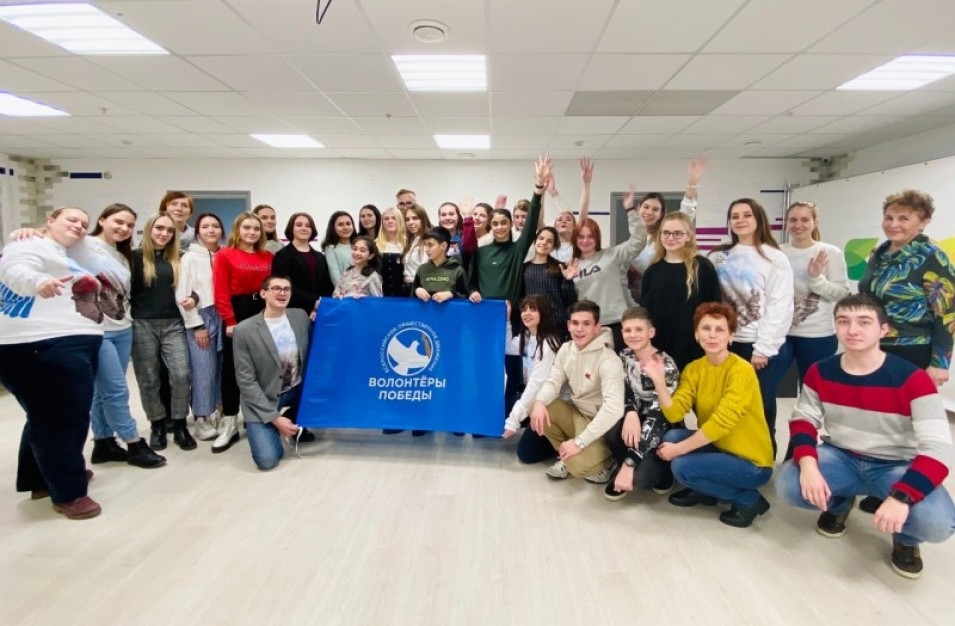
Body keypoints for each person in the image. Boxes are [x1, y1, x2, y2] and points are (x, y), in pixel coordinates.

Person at [775, 294, 955, 579]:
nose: (852, 330)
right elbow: (803, 420)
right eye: (843, 321)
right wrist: (808, 467)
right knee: (789, 485)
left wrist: (902, 498)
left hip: (896, 464)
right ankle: (840, 502)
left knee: (938, 523)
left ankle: (906, 539)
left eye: (864, 322)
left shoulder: (913, 379)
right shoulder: (820, 371)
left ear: (883, 330)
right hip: (841, 456)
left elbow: (938, 449)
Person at [0, 207, 105, 519]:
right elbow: (14, 269)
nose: (79, 226)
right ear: (49, 221)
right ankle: (69, 492)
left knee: (45, 416)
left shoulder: (67, 252)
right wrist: (37, 282)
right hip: (43, 343)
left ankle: (40, 479)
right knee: (65, 420)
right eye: (71, 219)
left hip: (68, 341)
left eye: (83, 223)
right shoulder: (29, 244)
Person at [857, 189, 955, 515]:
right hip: (874, 348)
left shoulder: (932, 256)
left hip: (913, 350)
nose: (893, 224)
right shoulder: (880, 253)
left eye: (904, 218)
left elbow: (947, 313)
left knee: (905, 426)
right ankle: (876, 483)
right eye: (889, 217)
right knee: (876, 419)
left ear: (923, 222)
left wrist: (940, 361)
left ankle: (903, 492)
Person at [644, 302, 774, 528]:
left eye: (720, 329)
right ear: (696, 334)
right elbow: (674, 413)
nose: (712, 335)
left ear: (731, 336)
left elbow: (720, 424)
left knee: (682, 467)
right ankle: (706, 492)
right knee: (672, 436)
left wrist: (678, 450)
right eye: (706, 328)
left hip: (751, 463)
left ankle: (749, 500)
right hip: (720, 447)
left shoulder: (741, 370)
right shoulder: (694, 369)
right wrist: (659, 382)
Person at [708, 198, 793, 458]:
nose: (740, 220)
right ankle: (730, 454)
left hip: (759, 346)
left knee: (760, 404)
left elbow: (780, 305)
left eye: (746, 215)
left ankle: (764, 457)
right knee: (725, 403)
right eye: (735, 216)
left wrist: (763, 349)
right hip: (726, 345)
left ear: (758, 219)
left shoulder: (774, 257)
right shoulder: (718, 256)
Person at [530, 300, 624, 484]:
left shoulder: (608, 360)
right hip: (577, 413)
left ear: (597, 328)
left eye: (586, 323)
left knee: (578, 466)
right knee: (540, 407)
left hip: (602, 424)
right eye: (575, 323)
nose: (579, 329)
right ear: (568, 325)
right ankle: (567, 455)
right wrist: (540, 402)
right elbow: (553, 382)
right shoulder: (566, 349)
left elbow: (614, 408)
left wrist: (580, 442)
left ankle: (608, 461)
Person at [130, 214, 196, 452]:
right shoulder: (134, 257)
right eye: (159, 228)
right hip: (142, 324)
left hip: (174, 323)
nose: (164, 233)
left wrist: (194, 298)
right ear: (149, 229)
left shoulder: (180, 258)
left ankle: (179, 424)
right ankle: (157, 425)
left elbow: (196, 286)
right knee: (148, 378)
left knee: (181, 375)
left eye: (169, 230)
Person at [232, 276, 312, 470]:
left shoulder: (300, 316)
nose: (282, 293)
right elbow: (245, 381)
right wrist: (275, 420)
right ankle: (274, 426)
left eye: (286, 289)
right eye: (276, 288)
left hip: (295, 390)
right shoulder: (244, 330)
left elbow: (330, 318)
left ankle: (292, 417)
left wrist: (353, 299)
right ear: (263, 293)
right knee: (267, 460)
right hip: (264, 397)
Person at [603, 307, 679, 502]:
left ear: (651, 332)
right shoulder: (624, 356)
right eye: (628, 330)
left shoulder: (666, 365)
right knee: (611, 429)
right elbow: (623, 390)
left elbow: (659, 416)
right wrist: (630, 412)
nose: (633, 335)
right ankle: (625, 465)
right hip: (637, 416)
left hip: (660, 424)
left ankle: (660, 471)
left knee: (641, 479)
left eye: (639, 329)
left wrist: (630, 463)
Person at [213, 212, 274, 453]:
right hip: (237, 312)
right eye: (247, 227)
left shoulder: (267, 256)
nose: (252, 232)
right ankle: (230, 420)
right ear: (237, 229)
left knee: (262, 366)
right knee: (232, 368)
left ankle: (257, 415)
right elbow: (220, 290)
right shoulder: (225, 255)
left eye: (256, 229)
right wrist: (229, 320)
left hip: (263, 311)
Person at [779, 201, 850, 382]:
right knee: (766, 386)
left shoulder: (830, 252)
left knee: (813, 389)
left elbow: (842, 293)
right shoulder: (777, 253)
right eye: (793, 220)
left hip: (817, 335)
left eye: (805, 220)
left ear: (815, 223)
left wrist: (816, 279)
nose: (798, 225)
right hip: (780, 334)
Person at [640, 212, 721, 370]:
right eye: (666, 233)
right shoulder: (652, 271)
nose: (670, 238)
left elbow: (714, 309)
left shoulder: (702, 267)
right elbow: (645, 313)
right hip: (660, 347)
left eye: (677, 233)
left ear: (688, 236)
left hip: (694, 346)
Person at [571, 187, 647, 351]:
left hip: (616, 324)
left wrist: (630, 210)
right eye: (581, 236)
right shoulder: (571, 265)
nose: (585, 240)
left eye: (590, 236)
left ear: (597, 238)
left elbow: (639, 240)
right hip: (588, 327)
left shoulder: (612, 255)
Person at [626, 158, 706, 303]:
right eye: (646, 207)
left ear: (661, 214)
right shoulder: (633, 240)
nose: (649, 212)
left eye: (655, 209)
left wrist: (692, 181)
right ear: (638, 209)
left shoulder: (665, 237)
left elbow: (687, 211)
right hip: (639, 297)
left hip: (668, 291)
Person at [177, 212, 226, 442]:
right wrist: (196, 326)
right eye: (205, 226)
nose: (211, 230)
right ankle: (202, 416)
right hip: (202, 316)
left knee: (221, 368)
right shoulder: (189, 258)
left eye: (215, 226)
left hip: (223, 314)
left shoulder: (225, 254)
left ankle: (219, 411)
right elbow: (183, 294)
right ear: (197, 231)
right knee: (203, 369)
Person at [502, 296, 562, 464]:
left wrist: (513, 421)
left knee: (526, 453)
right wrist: (507, 319)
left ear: (543, 313)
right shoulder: (529, 336)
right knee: (499, 412)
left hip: (550, 404)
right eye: (524, 309)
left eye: (533, 309)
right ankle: (530, 423)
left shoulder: (548, 343)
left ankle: (561, 442)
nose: (527, 313)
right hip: (535, 399)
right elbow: (507, 347)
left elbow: (535, 386)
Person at [271, 212, 334, 318]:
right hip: (294, 311)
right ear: (291, 229)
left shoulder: (320, 256)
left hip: (320, 311)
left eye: (308, 226)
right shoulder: (282, 255)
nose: (304, 228)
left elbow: (327, 285)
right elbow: (282, 286)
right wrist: (314, 302)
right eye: (299, 225)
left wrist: (321, 306)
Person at [521, 225, 578, 333]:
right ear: (535, 241)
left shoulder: (560, 267)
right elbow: (521, 299)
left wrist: (568, 280)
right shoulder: (524, 268)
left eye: (549, 241)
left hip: (557, 324)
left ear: (553, 246)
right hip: (533, 325)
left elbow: (570, 300)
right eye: (541, 238)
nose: (544, 243)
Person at [546, 157, 593, 263]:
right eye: (560, 220)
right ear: (554, 226)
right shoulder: (549, 244)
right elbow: (539, 219)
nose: (563, 221)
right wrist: (545, 190)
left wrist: (586, 184)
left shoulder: (579, 243)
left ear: (575, 226)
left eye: (568, 220)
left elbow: (583, 212)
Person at [412, 227, 471, 302]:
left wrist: (451, 294)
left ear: (443, 246)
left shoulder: (457, 270)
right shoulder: (421, 269)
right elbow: (412, 293)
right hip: (425, 309)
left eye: (430, 245)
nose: (426, 249)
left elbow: (465, 295)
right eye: (425, 244)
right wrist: (417, 290)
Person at [375, 207, 408, 296]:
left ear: (400, 221)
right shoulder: (375, 244)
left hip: (404, 294)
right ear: (382, 223)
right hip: (381, 293)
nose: (390, 221)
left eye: (394, 218)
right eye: (386, 219)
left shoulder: (408, 244)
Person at [402, 204, 432, 296]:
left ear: (423, 219)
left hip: (422, 288)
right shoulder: (411, 241)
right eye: (407, 219)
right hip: (408, 287)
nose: (410, 222)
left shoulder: (429, 240)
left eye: (415, 218)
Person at [321, 210, 356, 286]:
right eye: (340, 225)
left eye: (348, 224)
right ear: (333, 228)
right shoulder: (331, 248)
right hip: (347, 291)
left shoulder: (360, 245)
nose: (345, 227)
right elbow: (336, 278)